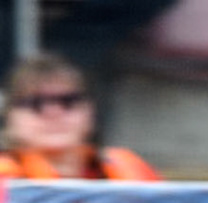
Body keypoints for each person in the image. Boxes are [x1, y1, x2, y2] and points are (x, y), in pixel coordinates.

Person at [0, 52, 157, 180]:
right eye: (35, 103)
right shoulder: (4, 177)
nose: (54, 112)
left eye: (68, 101)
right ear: (9, 118)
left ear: (91, 111)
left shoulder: (129, 169)